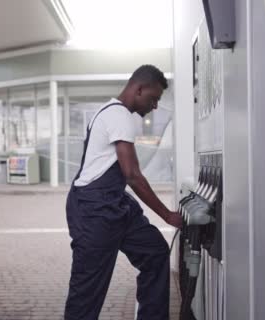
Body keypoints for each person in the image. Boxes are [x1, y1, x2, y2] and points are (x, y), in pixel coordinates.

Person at [64, 64, 182, 320]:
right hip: (94, 210)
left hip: (115, 204)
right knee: (87, 291)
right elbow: (132, 175)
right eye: (153, 99)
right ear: (138, 89)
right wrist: (167, 216)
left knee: (155, 253)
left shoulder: (114, 113)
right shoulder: (119, 115)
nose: (155, 106)